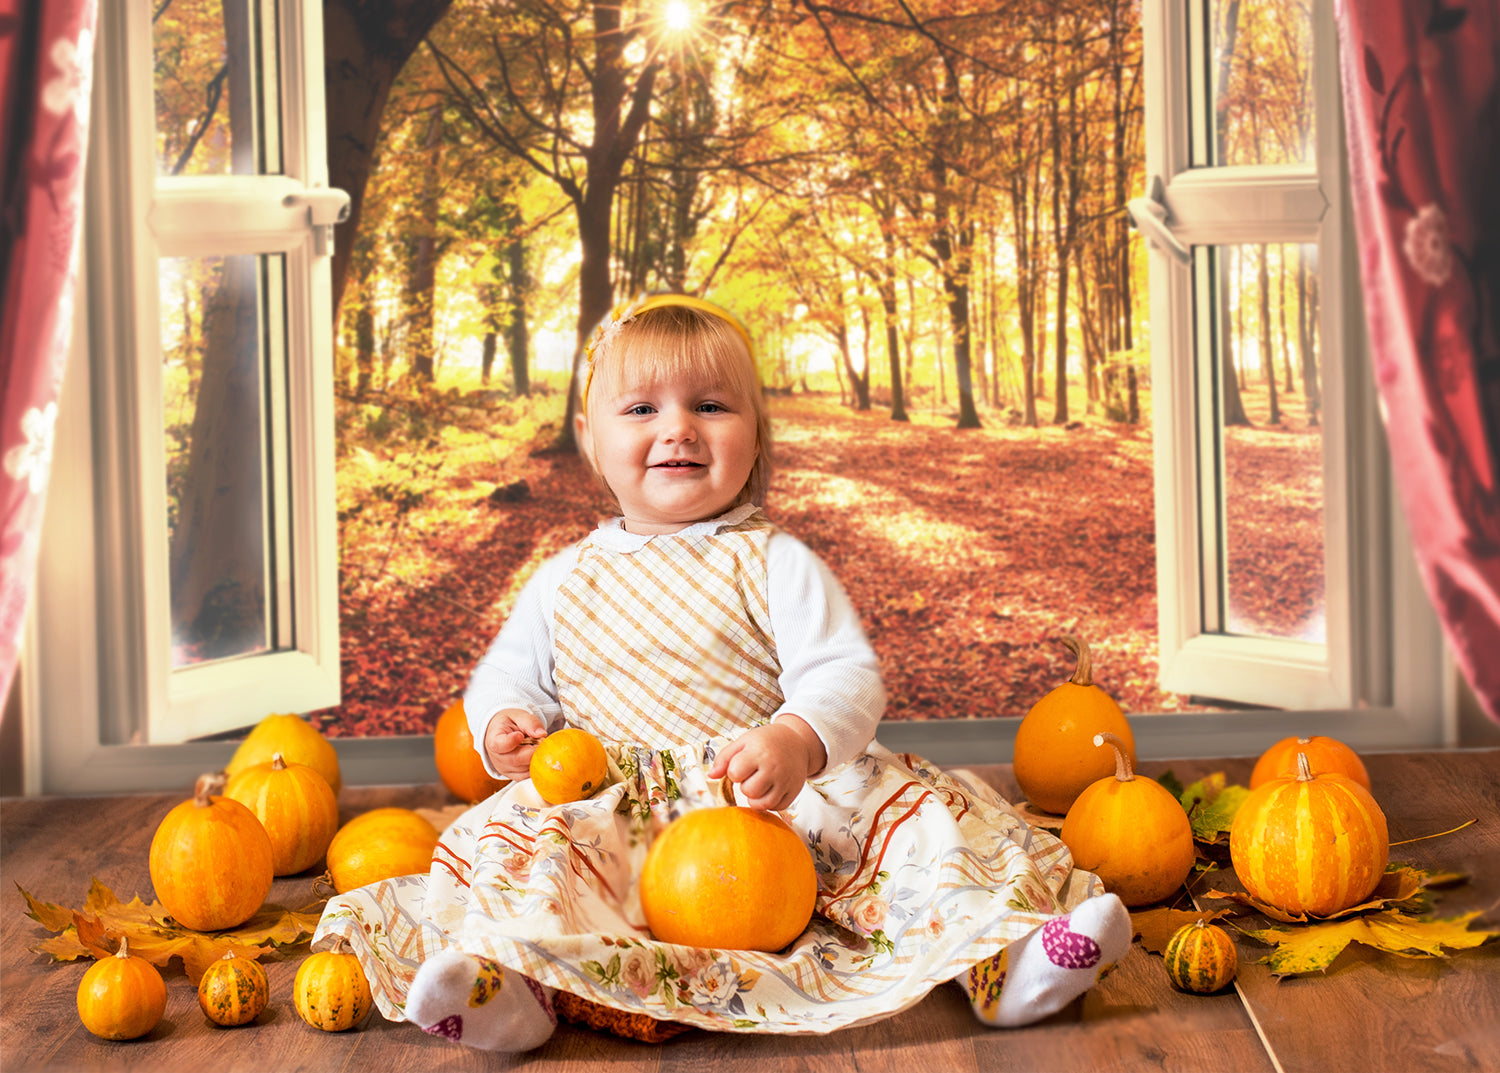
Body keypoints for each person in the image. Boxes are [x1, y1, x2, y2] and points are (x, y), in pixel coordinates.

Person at [312, 293, 1130, 1051]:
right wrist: (504, 725)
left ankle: (1003, 959)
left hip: (767, 803)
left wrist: (797, 737)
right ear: (593, 441)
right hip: (616, 812)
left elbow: (846, 675)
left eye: (710, 405)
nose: (679, 429)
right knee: (525, 856)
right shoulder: (565, 577)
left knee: (927, 834)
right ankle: (517, 986)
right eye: (641, 409)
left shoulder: (774, 560)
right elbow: (507, 678)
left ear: (754, 435)